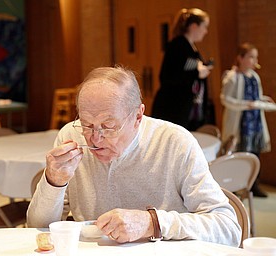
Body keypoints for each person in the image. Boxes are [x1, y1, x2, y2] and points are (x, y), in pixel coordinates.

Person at [27, 65, 241, 246]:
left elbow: (228, 228)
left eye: (108, 126)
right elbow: (36, 227)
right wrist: (53, 182)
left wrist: (152, 223)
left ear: (138, 116)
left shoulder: (175, 142)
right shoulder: (71, 136)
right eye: (86, 124)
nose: (95, 138)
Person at [221, 42, 275, 198]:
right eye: (251, 57)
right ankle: (238, 188)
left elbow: (254, 96)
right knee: (241, 154)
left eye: (255, 57)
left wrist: (263, 100)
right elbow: (226, 99)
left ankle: (254, 186)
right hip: (241, 123)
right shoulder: (232, 77)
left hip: (255, 122)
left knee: (255, 154)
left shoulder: (255, 76)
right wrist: (247, 105)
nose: (254, 60)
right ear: (240, 58)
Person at [151, 8, 213, 131]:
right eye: (204, 27)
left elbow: (187, 69)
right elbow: (168, 76)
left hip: (187, 109)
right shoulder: (178, 45)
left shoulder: (191, 47)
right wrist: (197, 73)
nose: (206, 31)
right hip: (173, 109)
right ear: (194, 26)